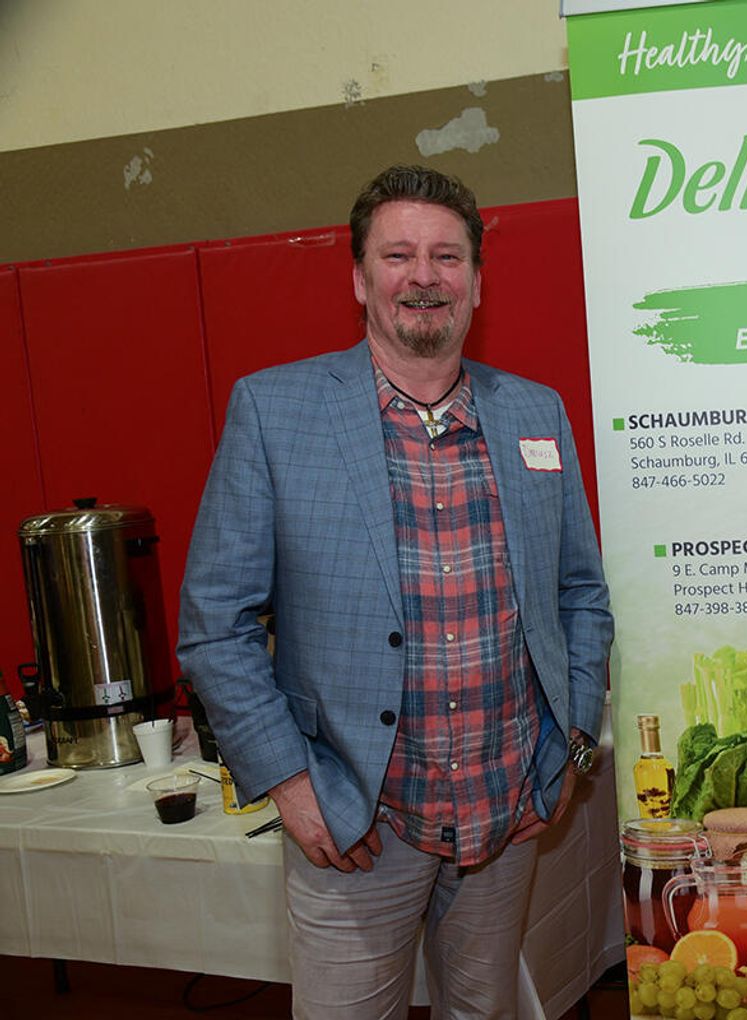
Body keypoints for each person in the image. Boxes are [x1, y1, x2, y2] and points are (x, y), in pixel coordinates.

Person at [179, 165, 613, 1018]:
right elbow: (214, 624)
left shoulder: (536, 414)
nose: (424, 277)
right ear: (359, 277)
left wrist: (570, 752)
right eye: (398, 255)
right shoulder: (275, 412)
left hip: (505, 812)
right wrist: (287, 782)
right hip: (355, 821)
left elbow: (581, 598)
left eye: (448, 257)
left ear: (477, 282)